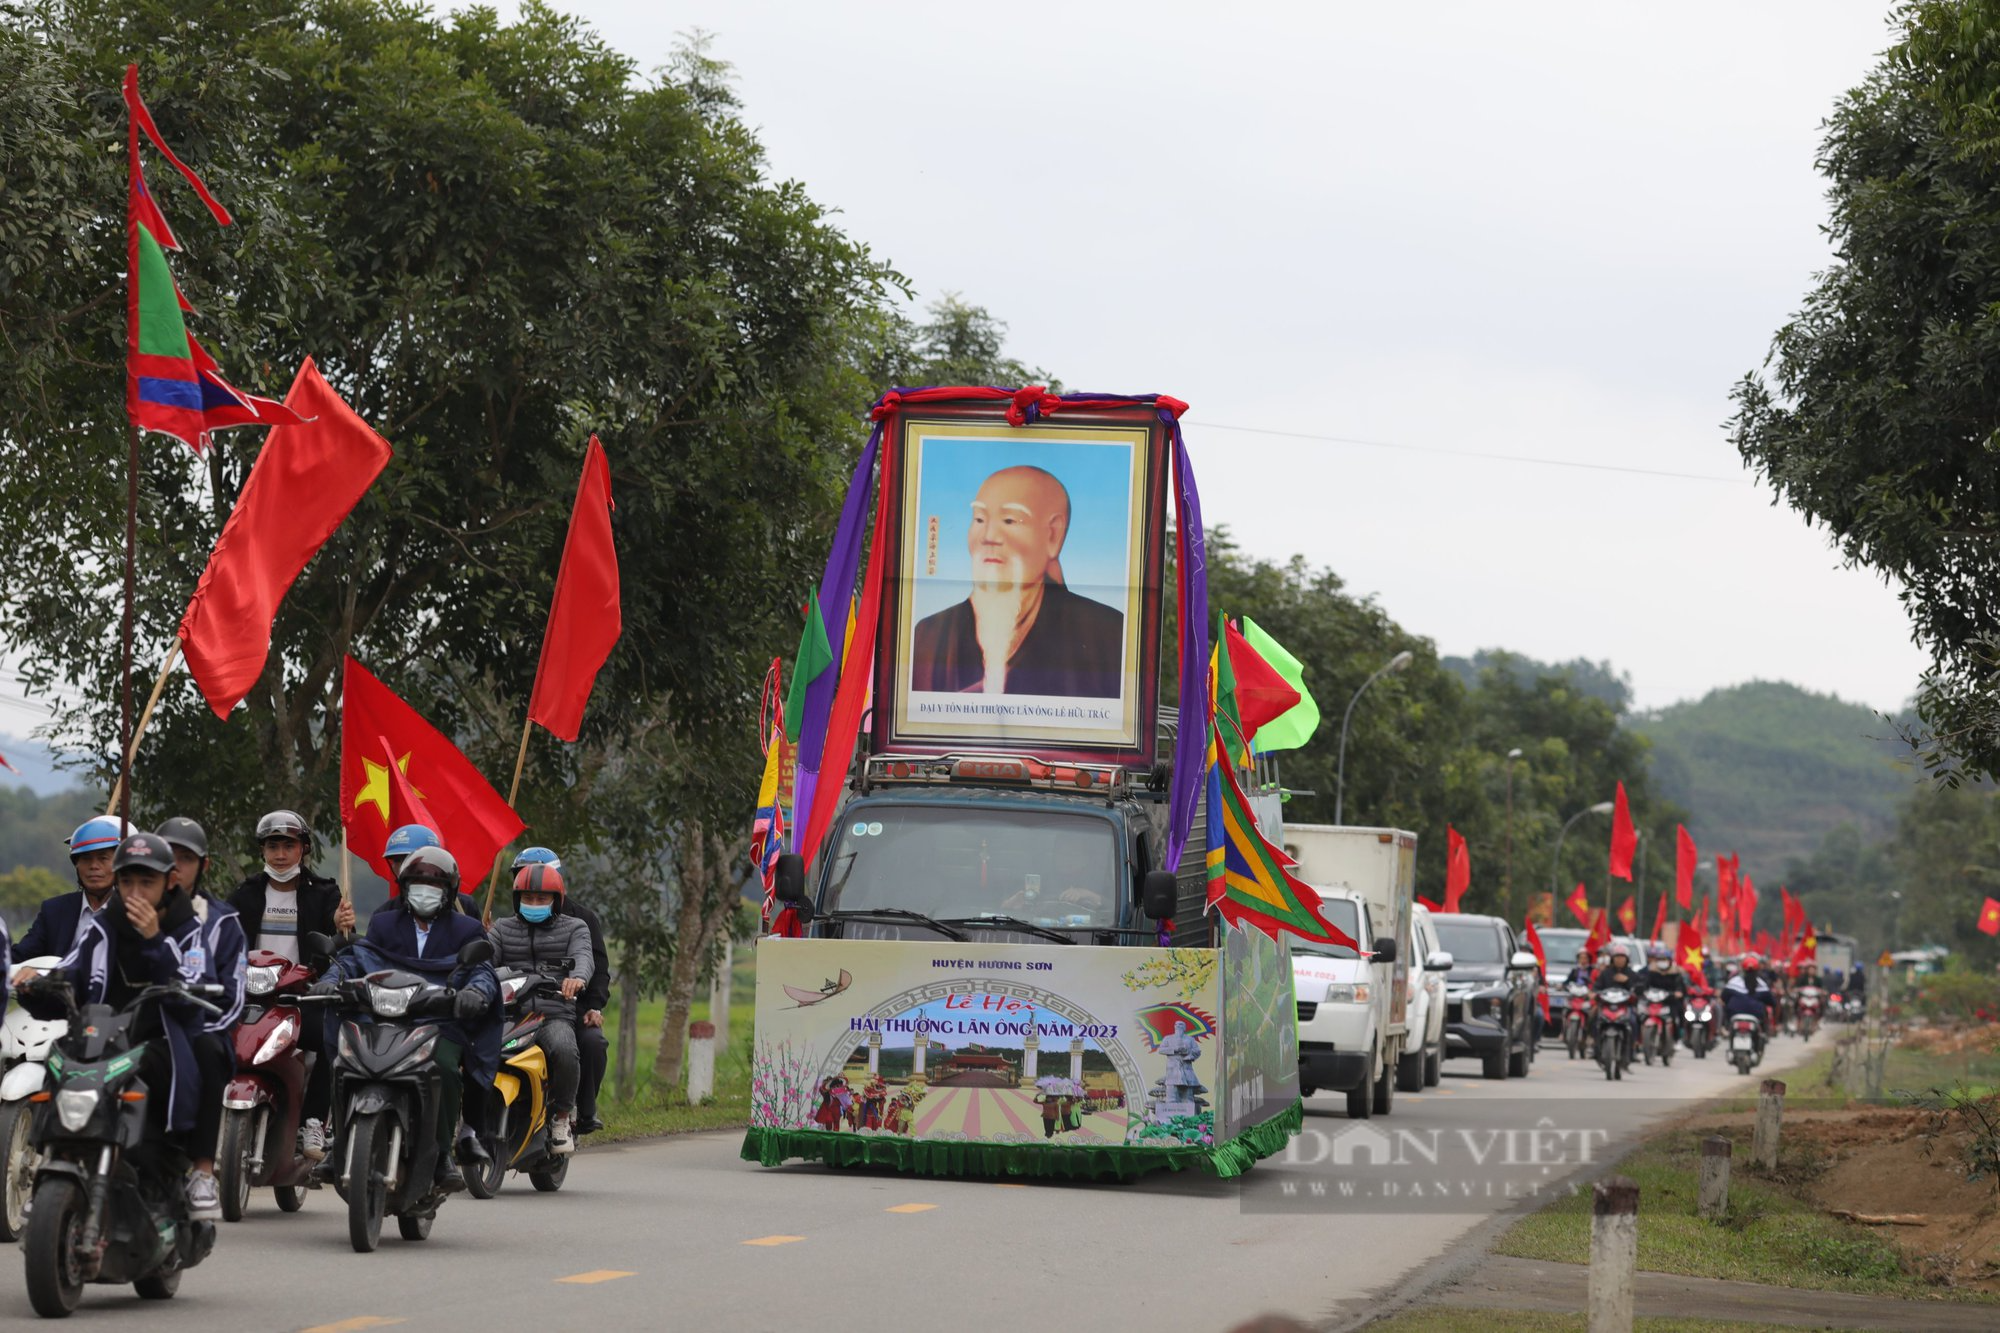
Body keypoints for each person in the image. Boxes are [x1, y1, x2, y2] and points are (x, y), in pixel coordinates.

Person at [17, 833, 229, 1219]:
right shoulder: (102, 926)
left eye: (146, 882)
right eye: (127, 881)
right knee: (59, 1060)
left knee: (206, 1054)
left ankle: (200, 1172)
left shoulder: (188, 928)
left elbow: (191, 996)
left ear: (169, 883)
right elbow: (74, 973)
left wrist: (153, 939)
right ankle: (51, 1167)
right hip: (102, 1037)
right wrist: (34, 987)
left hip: (160, 1038)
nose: (134, 892)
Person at [315, 846, 497, 1192]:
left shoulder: (467, 929)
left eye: (434, 886)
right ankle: (338, 1145)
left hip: (439, 1022)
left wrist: (477, 993)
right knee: (345, 1061)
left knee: (443, 1067)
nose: (425, 892)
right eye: (416, 884)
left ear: (450, 892)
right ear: (404, 888)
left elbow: (482, 972)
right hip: (384, 1019)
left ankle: (443, 1153)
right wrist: (328, 981)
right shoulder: (385, 923)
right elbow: (358, 958)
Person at [910, 464, 1124, 698]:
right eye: (980, 519)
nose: (989, 537)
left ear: (1053, 535)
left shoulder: (1107, 633)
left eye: (1010, 521)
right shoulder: (929, 634)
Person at [227, 808, 353, 1160]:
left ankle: (313, 1121)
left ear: (303, 849)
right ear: (263, 851)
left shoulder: (326, 894)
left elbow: (344, 945)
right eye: (272, 846)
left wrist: (340, 924)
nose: (280, 854)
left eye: (288, 845)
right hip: (249, 996)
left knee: (330, 1039)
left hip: (302, 997)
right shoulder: (245, 893)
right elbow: (222, 938)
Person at [156, 816, 247, 1201]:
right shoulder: (126, 912)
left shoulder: (225, 922)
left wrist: (205, 1028)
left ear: (204, 865)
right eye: (168, 857)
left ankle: (203, 1168)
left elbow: (235, 995)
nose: (176, 866)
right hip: (144, 1021)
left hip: (203, 1026)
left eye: (186, 858)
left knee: (208, 1051)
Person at [487, 863, 594, 1155]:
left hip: (552, 1014)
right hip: (510, 1014)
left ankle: (561, 1118)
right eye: (529, 898)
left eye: (542, 899)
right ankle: (469, 1118)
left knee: (563, 1048)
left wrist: (577, 979)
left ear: (556, 900)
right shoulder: (501, 928)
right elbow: (483, 962)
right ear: (517, 899)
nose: (534, 904)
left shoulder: (575, 927)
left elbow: (584, 957)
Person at [512, 847, 609, 1134]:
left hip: (568, 1006)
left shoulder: (582, 922)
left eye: (543, 893)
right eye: (523, 881)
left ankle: (581, 1109)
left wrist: (593, 1006)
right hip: (517, 1007)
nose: (533, 891)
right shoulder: (509, 923)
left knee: (591, 1043)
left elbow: (595, 967)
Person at [12, 816, 130, 962]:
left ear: (118, 864)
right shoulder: (54, 910)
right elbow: (19, 956)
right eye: (86, 859)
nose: (94, 866)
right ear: (76, 865)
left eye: (103, 858)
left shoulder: (130, 911)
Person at [1592, 944, 1643, 1066]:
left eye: (1622, 957)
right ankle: (1595, 1047)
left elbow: (1639, 989)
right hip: (1607, 1007)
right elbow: (1597, 987)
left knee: (1634, 1021)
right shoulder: (1605, 973)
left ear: (1627, 959)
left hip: (1625, 1007)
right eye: (1617, 957)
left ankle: (1633, 1049)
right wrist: (1593, 993)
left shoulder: (1631, 974)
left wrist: (1627, 981)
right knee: (1594, 1018)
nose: (1619, 960)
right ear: (1612, 959)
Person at [1723, 951, 1775, 1057]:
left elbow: (1724, 997)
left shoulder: (1734, 981)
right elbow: (1771, 1001)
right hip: (1756, 1015)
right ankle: (1762, 1036)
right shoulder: (1762, 984)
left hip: (1734, 1015)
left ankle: (1726, 1029)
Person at [1640, 942, 1686, 1045]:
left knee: (1676, 1016)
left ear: (1669, 961)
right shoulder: (1652, 972)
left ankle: (1677, 1039)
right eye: (1660, 960)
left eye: (1664, 960)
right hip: (1654, 1000)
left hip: (1670, 1001)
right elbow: (1645, 985)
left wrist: (1677, 993)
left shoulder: (1676, 973)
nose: (1662, 962)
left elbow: (1680, 987)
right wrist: (1642, 991)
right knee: (1641, 1016)